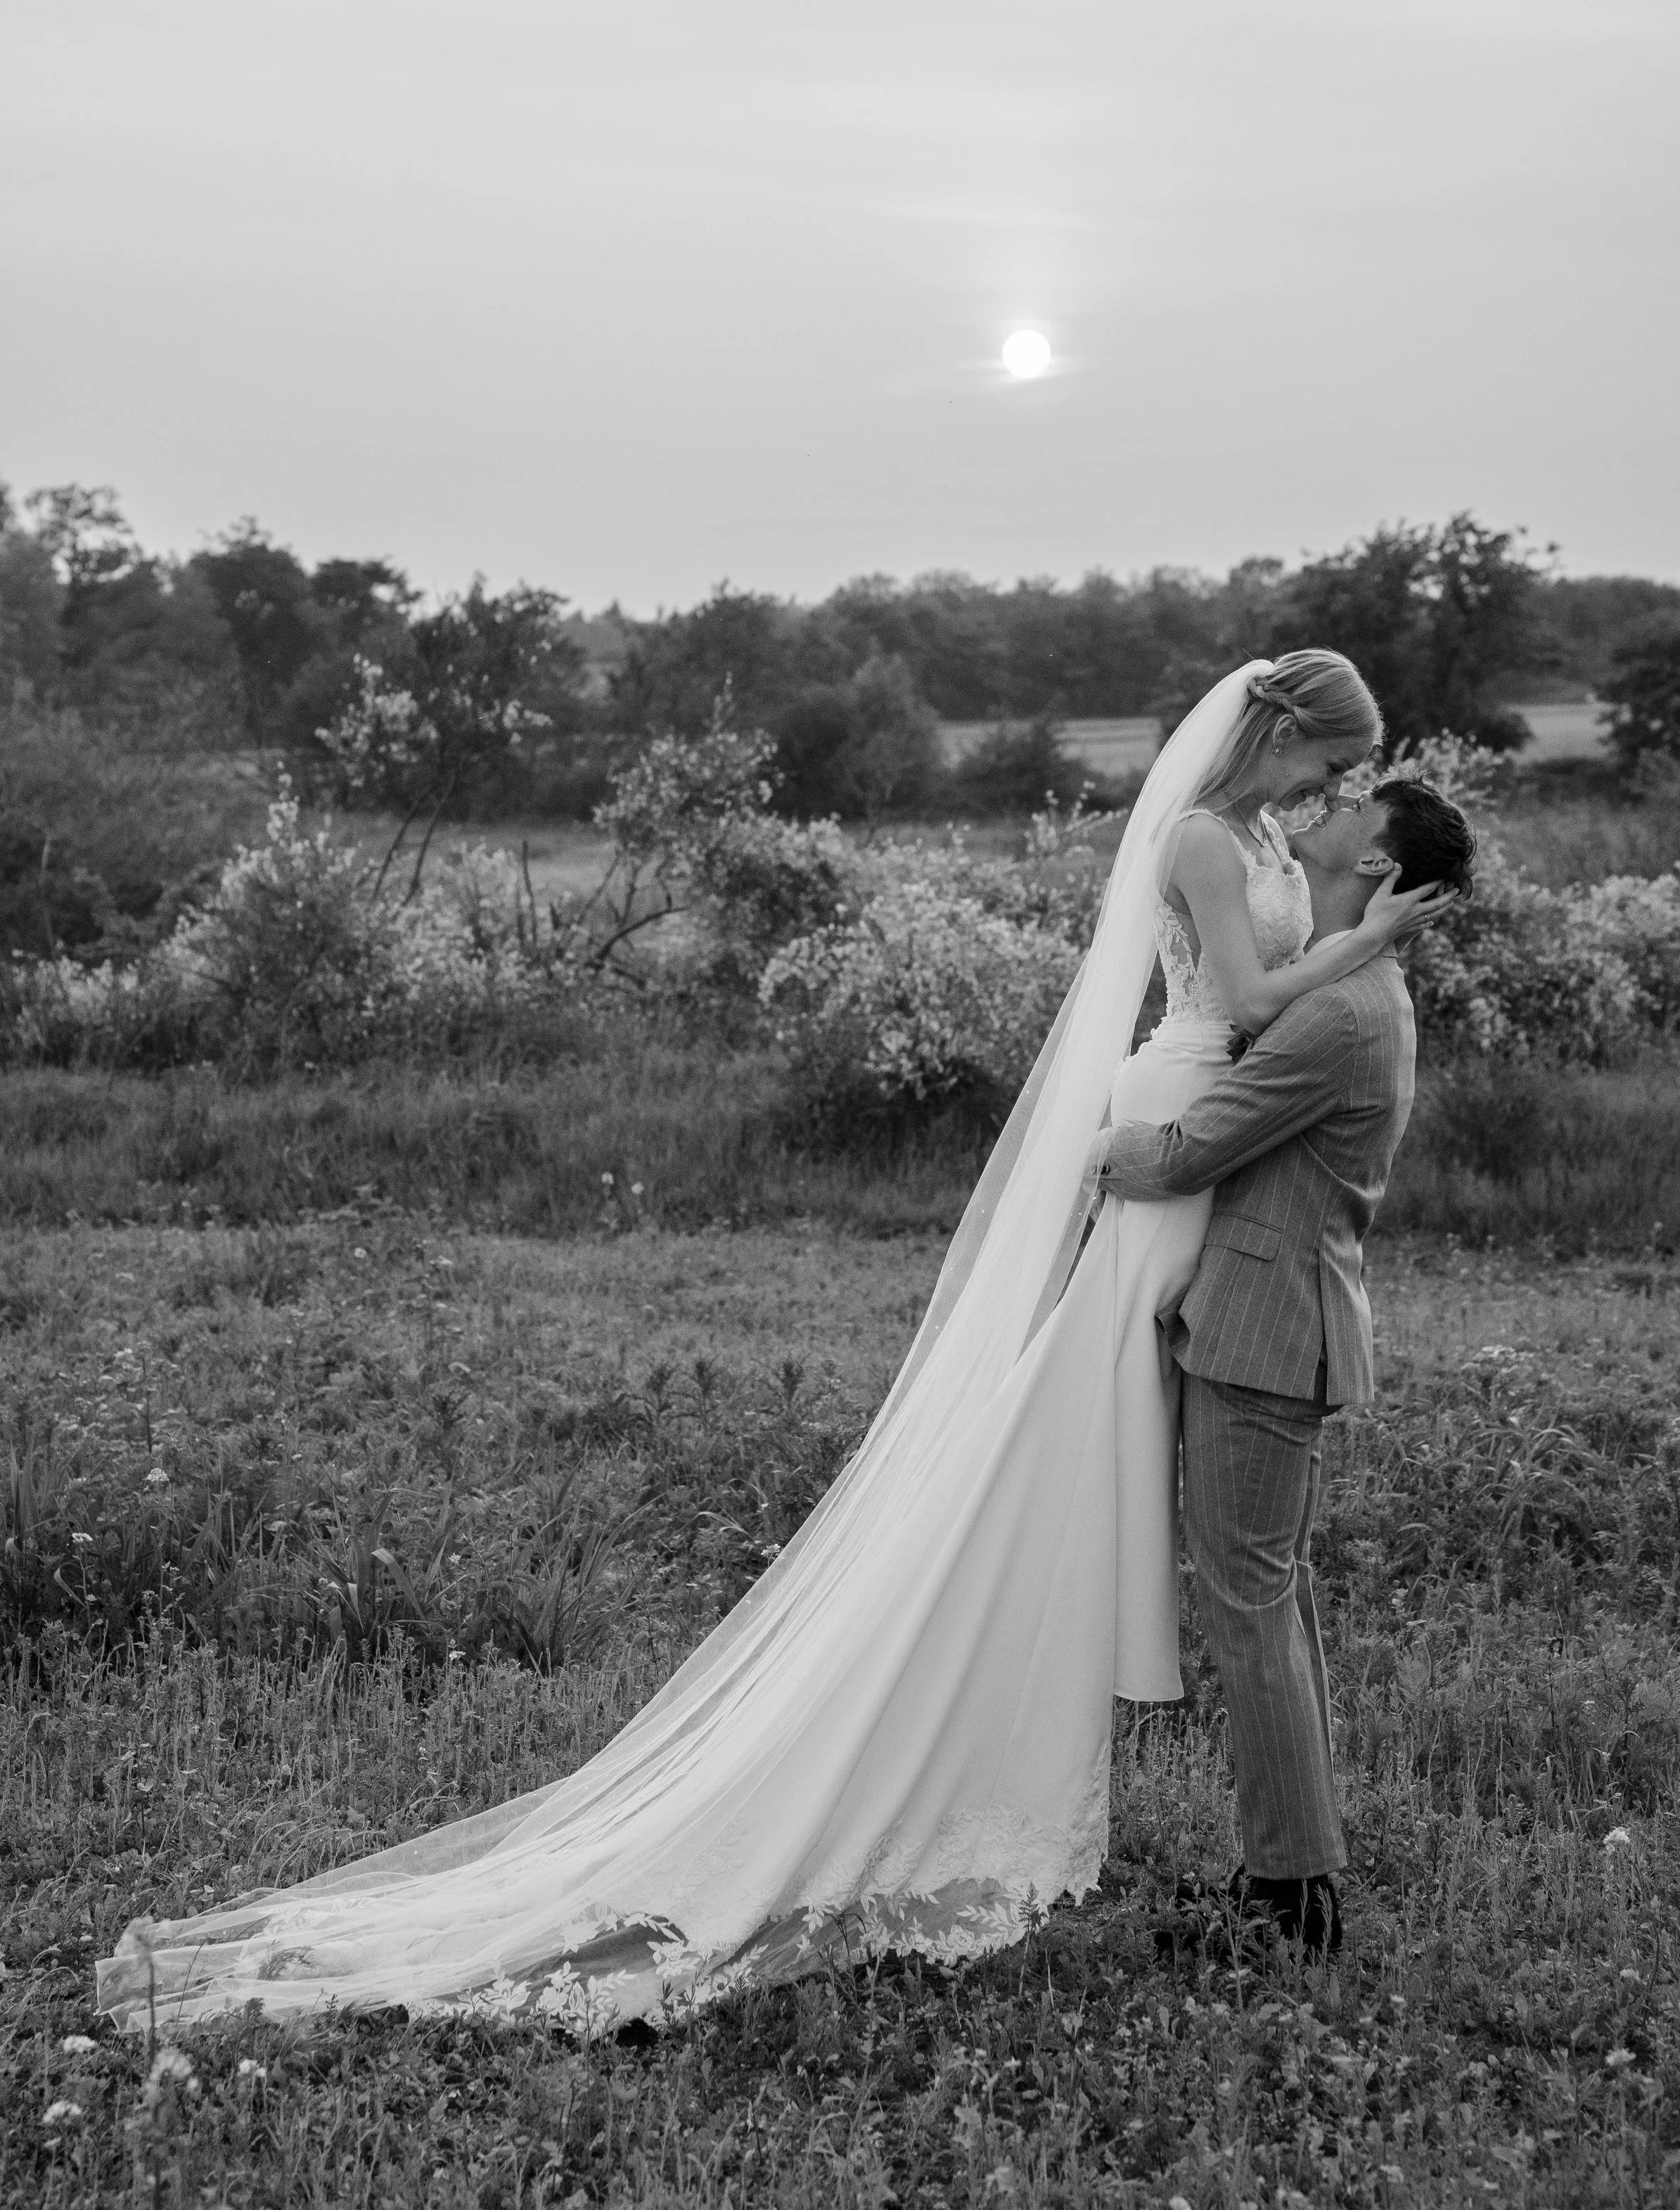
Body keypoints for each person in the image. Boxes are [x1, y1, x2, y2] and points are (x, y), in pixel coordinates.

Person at [97, 655, 1452, 2038]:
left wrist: (1343, 943)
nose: (1326, 796)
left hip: (1218, 1180)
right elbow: (1240, 998)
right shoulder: (1198, 838)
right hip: (1183, 1116)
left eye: (1343, 787)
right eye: (1322, 767)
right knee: (1060, 1452)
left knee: (1133, 1486)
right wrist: (1359, 948)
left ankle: (1203, 1809)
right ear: (1278, 733)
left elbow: (1282, 1005)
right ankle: (993, 1721)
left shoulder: (1277, 839)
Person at [1086, 773, 1477, 1960]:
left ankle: (1290, 1900)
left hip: (1265, 1331)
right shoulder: (1348, 988)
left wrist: (1088, 1141)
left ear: (1376, 869)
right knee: (1267, 1606)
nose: (1338, 805)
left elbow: (1187, 1154)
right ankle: (1290, 1884)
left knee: (1251, 1612)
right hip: (1275, 1320)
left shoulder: (1343, 1011)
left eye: (1363, 810)